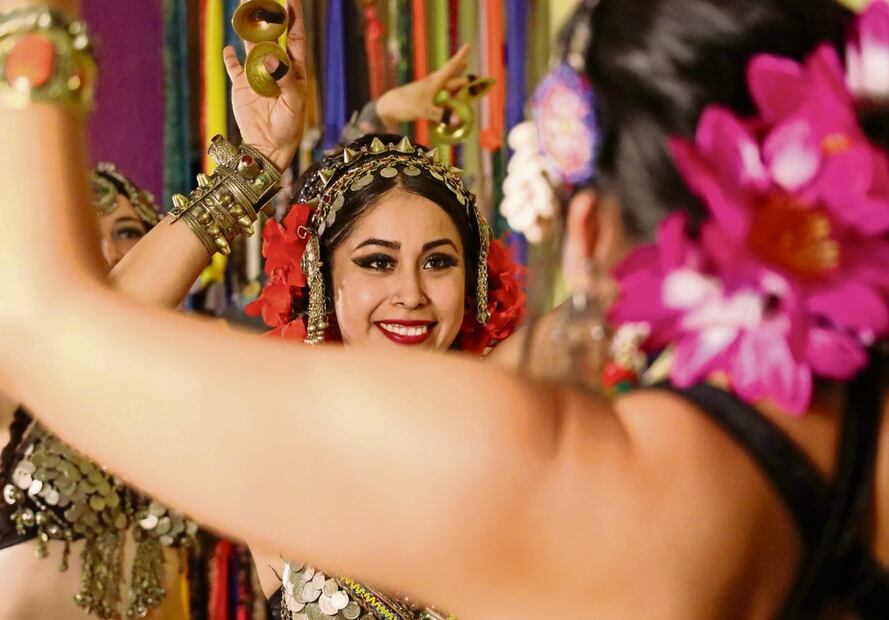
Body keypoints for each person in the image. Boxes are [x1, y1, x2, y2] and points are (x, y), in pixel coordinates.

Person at [4, 1, 889, 620]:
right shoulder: (859, 441)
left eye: (439, 263)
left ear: (583, 227)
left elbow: (41, 321)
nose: (410, 293)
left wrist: (29, 22)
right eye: (376, 263)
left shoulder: (532, 455)